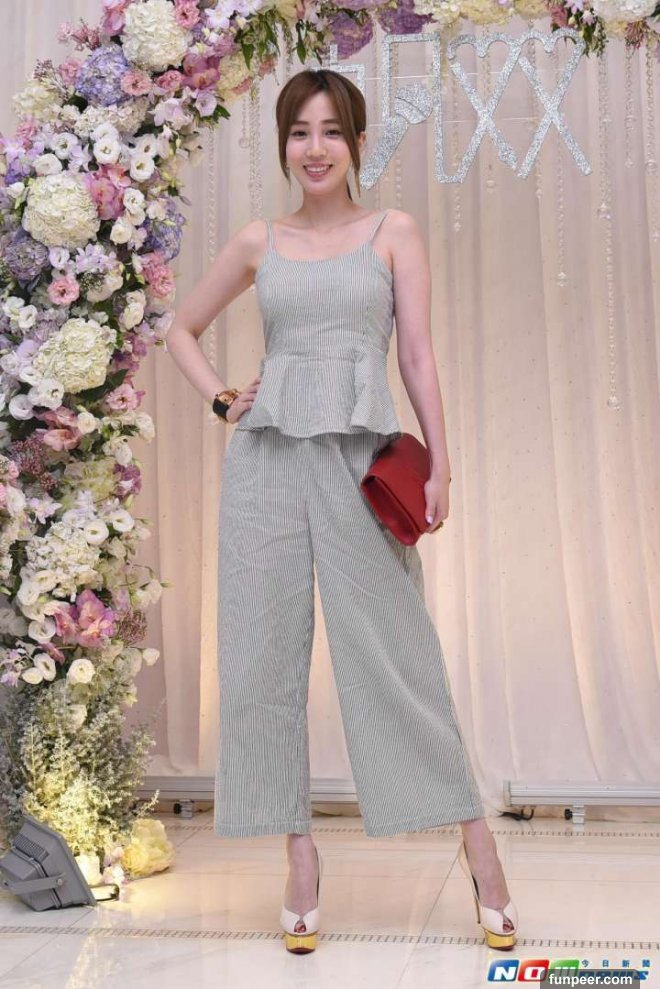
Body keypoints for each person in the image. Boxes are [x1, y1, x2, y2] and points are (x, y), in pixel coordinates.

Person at [166, 68, 518, 954]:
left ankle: (478, 843)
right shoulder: (260, 241)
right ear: (283, 144)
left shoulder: (393, 232)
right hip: (267, 461)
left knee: (397, 653)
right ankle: (300, 857)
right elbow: (179, 329)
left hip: (361, 462)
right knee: (261, 657)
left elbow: (418, 357)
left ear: (358, 144)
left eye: (331, 132)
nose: (314, 148)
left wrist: (441, 463)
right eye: (299, 132)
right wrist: (222, 399)